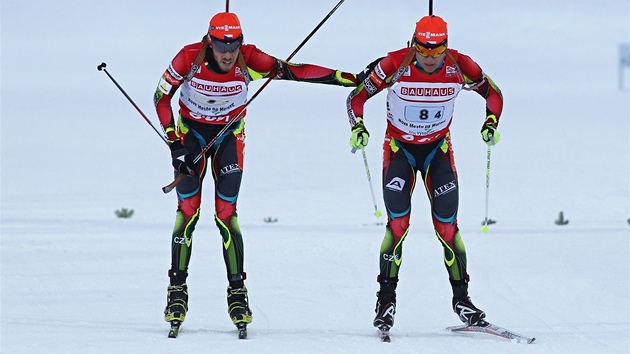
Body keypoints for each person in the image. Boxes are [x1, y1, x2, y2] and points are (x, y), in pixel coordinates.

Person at [154, 11, 358, 333]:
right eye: (221, 45)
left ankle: (237, 292)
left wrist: (345, 77)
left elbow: (295, 71)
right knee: (188, 211)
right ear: (209, 41)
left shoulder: (249, 59)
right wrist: (174, 144)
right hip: (191, 135)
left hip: (229, 137)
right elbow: (161, 96)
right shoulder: (189, 57)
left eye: (234, 44)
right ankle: (177, 290)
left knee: (226, 213)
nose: (227, 52)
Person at [346, 14, 503, 333]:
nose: (430, 58)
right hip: (399, 150)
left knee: (447, 227)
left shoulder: (460, 66)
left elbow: (494, 94)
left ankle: (462, 300)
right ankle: (386, 300)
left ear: (447, 46)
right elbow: (356, 96)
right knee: (398, 225)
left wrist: (490, 123)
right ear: (413, 44)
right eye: (423, 50)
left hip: (437, 151)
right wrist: (358, 126)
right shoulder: (395, 64)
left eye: (437, 51)